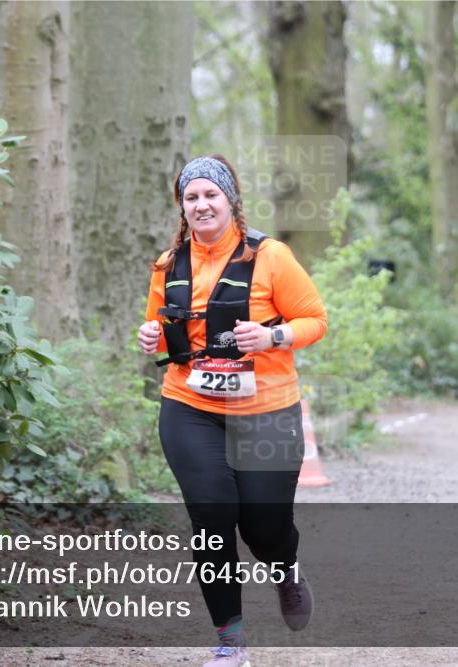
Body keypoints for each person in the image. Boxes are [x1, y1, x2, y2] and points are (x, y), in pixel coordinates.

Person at [137, 154, 327, 666]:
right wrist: (151, 337)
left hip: (267, 409)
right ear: (182, 206)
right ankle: (230, 642)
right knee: (212, 515)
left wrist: (272, 336)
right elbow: (161, 332)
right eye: (191, 197)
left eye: (210, 195)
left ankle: (284, 568)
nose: (201, 205)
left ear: (230, 200)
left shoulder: (271, 257)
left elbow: (314, 319)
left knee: (264, 527)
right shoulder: (167, 264)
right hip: (190, 406)